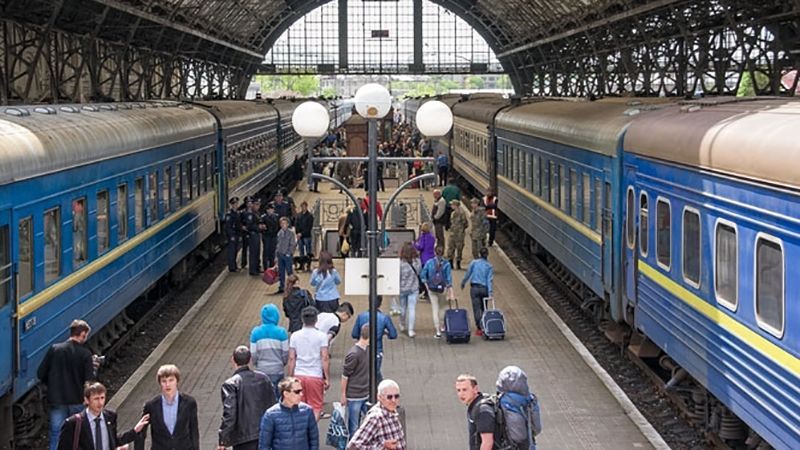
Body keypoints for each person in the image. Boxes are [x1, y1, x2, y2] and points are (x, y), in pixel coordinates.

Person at [38, 319, 97, 450]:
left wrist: (52, 385)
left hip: (57, 400)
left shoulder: (54, 349)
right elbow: (89, 381)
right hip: (77, 400)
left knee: (56, 433)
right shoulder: (86, 354)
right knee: (78, 434)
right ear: (82, 334)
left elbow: (40, 373)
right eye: (86, 335)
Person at [56, 382, 149, 450]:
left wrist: (134, 431)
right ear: (87, 400)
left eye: (102, 398)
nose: (100, 403)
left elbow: (113, 440)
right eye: (96, 399)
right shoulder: (73, 423)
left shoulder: (110, 417)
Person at [218, 346, 277, 450]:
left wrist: (223, 439)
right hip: (265, 433)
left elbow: (230, 413)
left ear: (233, 360)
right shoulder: (264, 378)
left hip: (243, 437)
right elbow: (274, 404)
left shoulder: (230, 384)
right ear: (250, 360)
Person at [139, 364, 199, 450]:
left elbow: (194, 432)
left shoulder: (189, 403)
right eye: (164, 381)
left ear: (177, 381)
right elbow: (141, 433)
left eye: (171, 380)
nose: (167, 384)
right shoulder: (151, 406)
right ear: (160, 383)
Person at [287, 307, 330, 421]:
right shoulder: (322, 336)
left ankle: (300, 431)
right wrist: (326, 377)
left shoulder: (294, 336)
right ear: (316, 320)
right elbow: (324, 358)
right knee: (316, 407)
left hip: (299, 374)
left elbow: (292, 358)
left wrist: (290, 377)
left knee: (298, 405)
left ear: (302, 319)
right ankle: (311, 429)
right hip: (315, 375)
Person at [258, 377, 318, 450]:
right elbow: (264, 444)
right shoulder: (271, 414)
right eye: (297, 392)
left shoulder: (307, 411)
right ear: (286, 393)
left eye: (301, 391)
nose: (301, 394)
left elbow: (314, 439)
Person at [347, 379, 406, 450]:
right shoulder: (376, 417)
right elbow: (353, 446)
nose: (393, 400)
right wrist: (382, 446)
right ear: (380, 397)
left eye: (396, 396)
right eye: (389, 397)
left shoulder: (392, 412)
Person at [351, 296, 397, 382]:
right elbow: (393, 335)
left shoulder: (361, 316)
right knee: (376, 372)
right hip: (377, 349)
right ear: (380, 304)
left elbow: (354, 334)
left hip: (362, 348)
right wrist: (385, 333)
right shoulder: (384, 317)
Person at [250, 304, 289, 401]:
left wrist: (257, 364)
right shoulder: (281, 332)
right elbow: (285, 353)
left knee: (263, 398)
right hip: (277, 370)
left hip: (261, 370)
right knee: (277, 397)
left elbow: (253, 354)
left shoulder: (255, 332)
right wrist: (282, 363)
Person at [341, 324, 370, 437]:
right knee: (354, 427)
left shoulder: (367, 350)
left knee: (365, 423)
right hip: (354, 396)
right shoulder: (354, 354)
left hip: (365, 393)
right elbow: (345, 375)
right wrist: (343, 394)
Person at [419, 247, 453, 339]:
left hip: (432, 289)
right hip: (443, 289)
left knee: (435, 309)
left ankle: (437, 331)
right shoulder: (446, 264)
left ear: (435, 252)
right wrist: (450, 292)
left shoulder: (429, 263)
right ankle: (443, 326)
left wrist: (427, 286)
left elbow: (422, 275)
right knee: (443, 308)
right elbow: (449, 279)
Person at [455, 374, 495, 450]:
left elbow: (487, 442)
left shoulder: (482, 410)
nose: (461, 394)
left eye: (465, 390)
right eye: (458, 390)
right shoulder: (475, 406)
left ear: (475, 389)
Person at [460, 247, 494, 337]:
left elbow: (468, 274)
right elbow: (489, 280)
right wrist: (490, 293)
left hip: (474, 288)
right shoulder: (489, 266)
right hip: (484, 289)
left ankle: (479, 328)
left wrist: (463, 283)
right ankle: (485, 325)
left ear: (479, 254)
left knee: (476, 309)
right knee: (484, 308)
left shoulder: (474, 263)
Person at [397, 242, 421, 338]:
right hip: (414, 288)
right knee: (412, 309)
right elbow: (419, 272)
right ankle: (411, 330)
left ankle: (402, 324)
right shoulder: (417, 262)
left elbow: (398, 276)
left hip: (402, 288)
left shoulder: (400, 263)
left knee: (402, 308)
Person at [275, 217, 296, 294]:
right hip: (280, 255)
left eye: (285, 223)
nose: (283, 225)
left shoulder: (291, 233)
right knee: (281, 272)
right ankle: (281, 287)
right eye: (282, 223)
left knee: (289, 272)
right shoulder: (279, 233)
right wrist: (276, 256)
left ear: (288, 224)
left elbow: (293, 244)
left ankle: (291, 287)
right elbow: (277, 245)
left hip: (287, 256)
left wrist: (289, 253)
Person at [446, 199, 469, 270]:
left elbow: (465, 223)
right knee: (458, 248)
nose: (451, 206)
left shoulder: (459, 213)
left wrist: (459, 229)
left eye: (452, 204)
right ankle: (457, 264)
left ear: (455, 205)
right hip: (458, 233)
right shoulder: (458, 212)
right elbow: (466, 224)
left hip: (456, 233)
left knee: (452, 248)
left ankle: (452, 263)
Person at [243, 197, 262, 276]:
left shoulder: (256, 213)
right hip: (253, 235)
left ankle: (257, 268)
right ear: (253, 205)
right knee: (253, 253)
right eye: (256, 204)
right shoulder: (250, 214)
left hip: (257, 235)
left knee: (257, 252)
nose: (258, 206)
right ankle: (253, 270)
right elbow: (249, 226)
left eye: (259, 205)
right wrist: (259, 227)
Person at [294, 201, 314, 272]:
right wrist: (297, 233)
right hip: (300, 236)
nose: (303, 208)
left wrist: (301, 233)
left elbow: (309, 227)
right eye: (302, 206)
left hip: (307, 236)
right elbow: (296, 225)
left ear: (306, 206)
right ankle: (301, 265)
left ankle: (308, 266)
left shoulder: (310, 216)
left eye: (304, 206)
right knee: (301, 250)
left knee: (308, 251)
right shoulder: (298, 215)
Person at [224, 197, 241, 272]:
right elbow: (228, 227)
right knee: (232, 251)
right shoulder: (229, 215)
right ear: (231, 205)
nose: (236, 205)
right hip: (233, 236)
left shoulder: (237, 213)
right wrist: (231, 236)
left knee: (235, 251)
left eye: (236, 203)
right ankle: (232, 267)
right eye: (234, 204)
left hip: (237, 234)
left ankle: (234, 266)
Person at [260, 202, 280, 269]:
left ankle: (272, 266)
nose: (272, 210)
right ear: (267, 210)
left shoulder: (276, 216)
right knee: (266, 251)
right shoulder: (263, 217)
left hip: (274, 236)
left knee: (273, 251)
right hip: (267, 236)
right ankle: (265, 266)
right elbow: (261, 227)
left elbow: (278, 226)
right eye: (270, 209)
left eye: (273, 209)